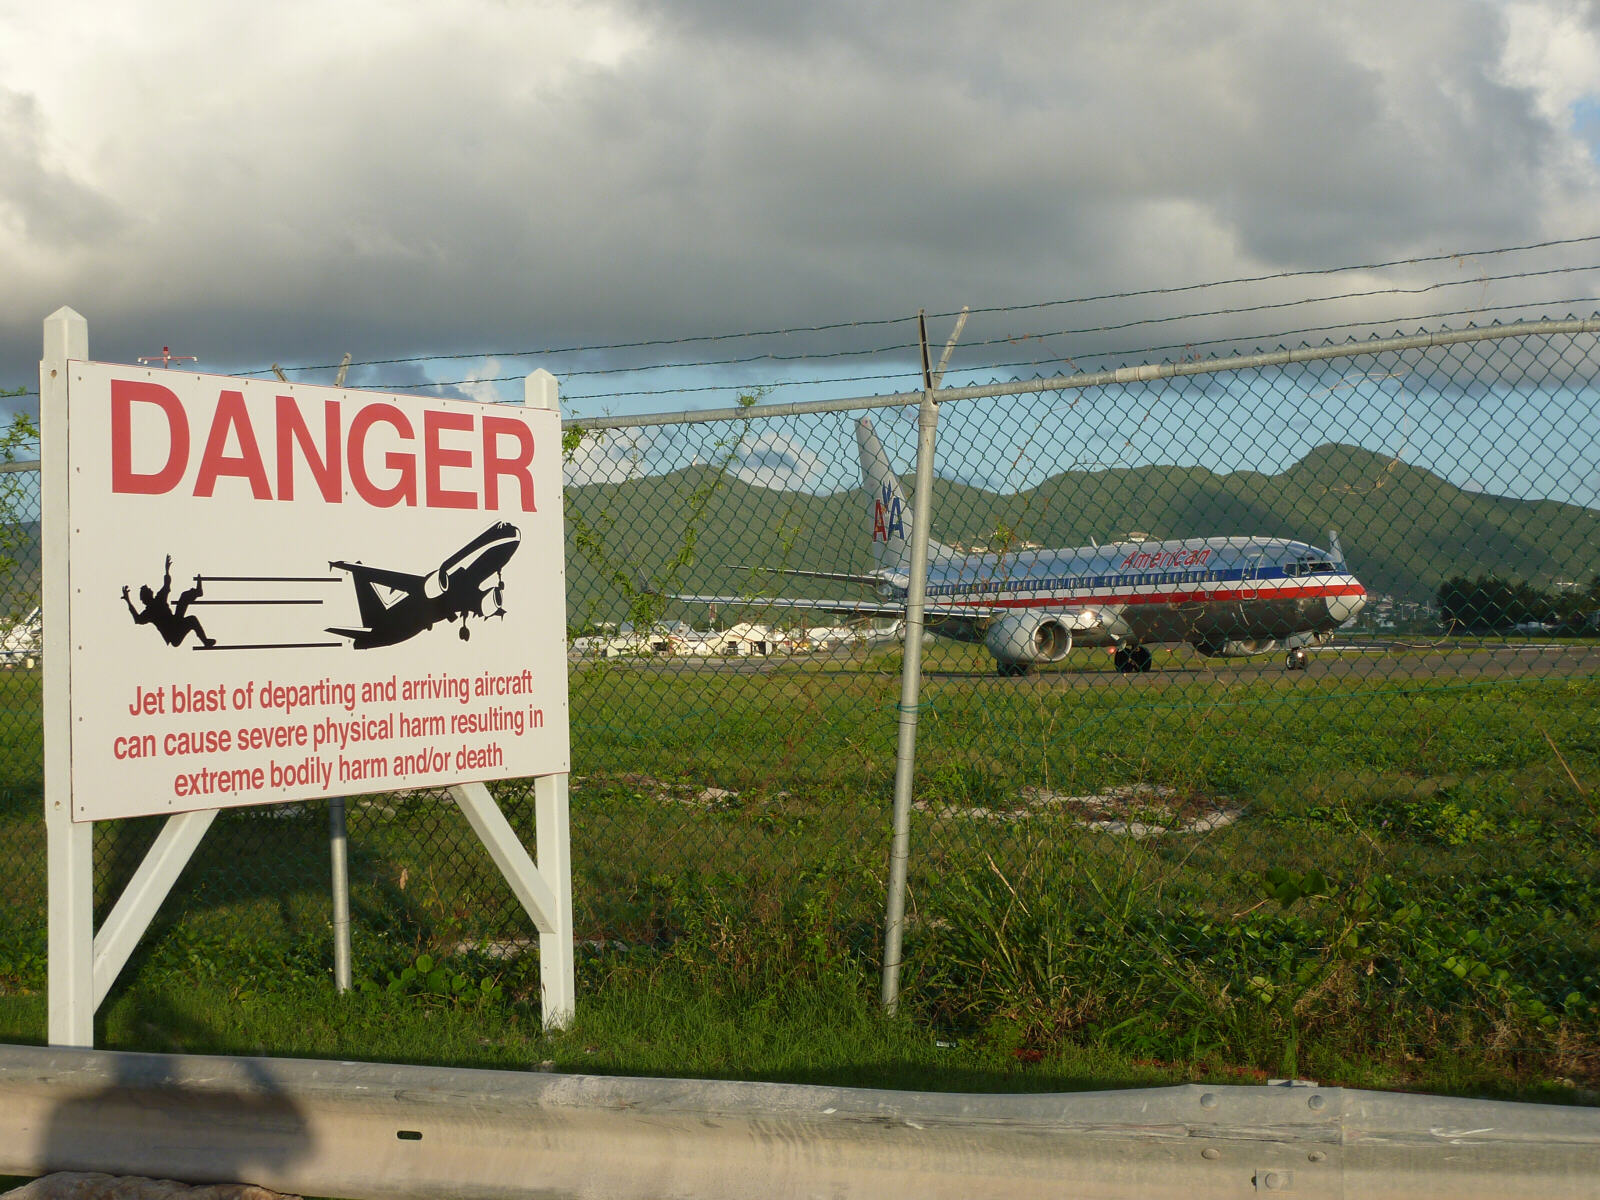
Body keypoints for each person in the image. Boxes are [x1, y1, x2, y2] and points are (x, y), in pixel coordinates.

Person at [123, 555, 216, 648]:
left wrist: (167, 570)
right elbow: (138, 619)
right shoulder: (150, 611)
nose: (151, 589)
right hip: (174, 635)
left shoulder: (158, 599)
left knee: (184, 598)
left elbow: (166, 584)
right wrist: (128, 601)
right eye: (149, 589)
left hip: (176, 622)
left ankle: (197, 592)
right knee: (192, 619)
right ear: (147, 596)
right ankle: (205, 641)